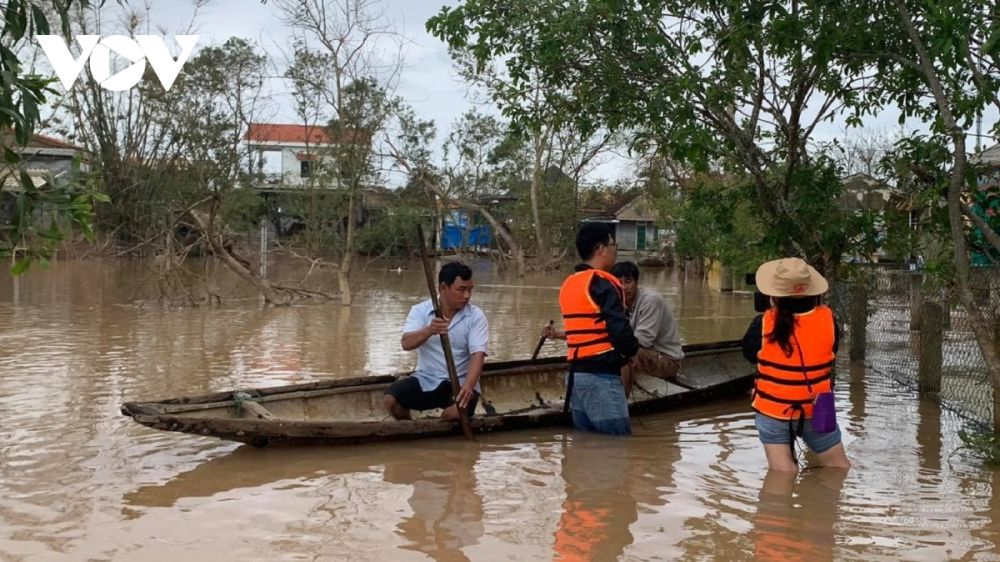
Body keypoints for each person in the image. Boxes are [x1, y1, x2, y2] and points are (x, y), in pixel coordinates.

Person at [741, 257, 851, 472]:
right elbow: (830, 352)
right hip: (817, 408)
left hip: (772, 410)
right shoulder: (829, 319)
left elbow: (750, 355)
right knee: (839, 467)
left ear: (773, 296)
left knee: (783, 474)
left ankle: (782, 506)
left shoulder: (762, 323)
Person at [552, 222, 639, 435]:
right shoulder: (603, 283)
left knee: (585, 449)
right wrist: (632, 351)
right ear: (601, 249)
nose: (615, 250)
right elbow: (619, 332)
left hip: (575, 378)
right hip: (601, 378)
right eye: (613, 245)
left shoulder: (569, 284)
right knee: (616, 450)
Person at [384, 261, 487, 421]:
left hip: (460, 383)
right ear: (443, 288)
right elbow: (406, 344)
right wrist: (429, 330)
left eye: (469, 290)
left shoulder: (475, 316)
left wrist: (469, 386)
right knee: (391, 401)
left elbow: (478, 355)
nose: (467, 296)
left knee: (451, 415)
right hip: (427, 379)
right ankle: (411, 429)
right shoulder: (420, 311)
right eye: (461, 290)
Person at [611, 261, 684, 381]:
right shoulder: (617, 303)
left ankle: (621, 395)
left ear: (636, 282)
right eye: (619, 283)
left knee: (625, 354)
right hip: (647, 354)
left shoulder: (651, 300)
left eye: (628, 281)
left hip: (667, 361)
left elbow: (644, 340)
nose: (623, 287)